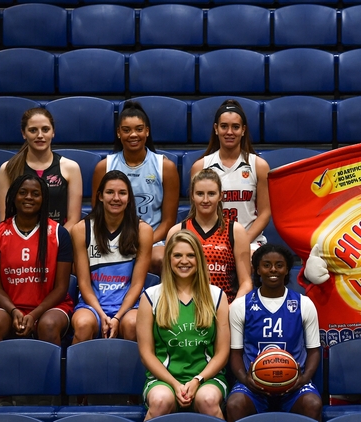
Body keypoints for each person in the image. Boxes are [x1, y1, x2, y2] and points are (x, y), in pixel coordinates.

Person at [226, 244, 321, 422]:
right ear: (257, 269)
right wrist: (246, 380)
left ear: (286, 270)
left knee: (313, 403)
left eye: (279, 265)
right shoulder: (240, 306)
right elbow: (235, 353)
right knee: (235, 404)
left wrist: (302, 380)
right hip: (253, 384)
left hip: (294, 384)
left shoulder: (304, 303)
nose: (273, 270)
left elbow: (314, 351)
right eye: (266, 265)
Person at [137, 230, 230, 421]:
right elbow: (147, 354)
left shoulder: (216, 296)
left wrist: (197, 380)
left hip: (206, 378)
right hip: (164, 379)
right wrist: (175, 384)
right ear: (169, 259)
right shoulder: (151, 296)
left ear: (199, 259)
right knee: (161, 400)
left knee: (209, 400)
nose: (184, 261)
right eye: (177, 255)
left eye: (190, 255)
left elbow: (222, 352)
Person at [0, 174, 73, 347]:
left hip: (50, 307)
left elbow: (61, 288)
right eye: (23, 192)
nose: (29, 197)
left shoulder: (59, 233)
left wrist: (35, 314)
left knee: (48, 325)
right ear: (14, 196)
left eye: (35, 193)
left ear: (43, 198)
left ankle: (50, 375)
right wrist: (14, 310)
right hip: (11, 307)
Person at [92, 101, 180, 274]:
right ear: (118, 133)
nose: (133, 134)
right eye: (126, 130)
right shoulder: (104, 167)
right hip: (112, 238)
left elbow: (169, 221)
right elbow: (97, 213)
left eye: (139, 129)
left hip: (154, 240)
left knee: (160, 259)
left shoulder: (165, 167)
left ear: (147, 131)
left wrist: (145, 243)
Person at [71, 170, 153, 344]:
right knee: (83, 324)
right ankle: (78, 371)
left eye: (122, 193)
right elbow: (84, 283)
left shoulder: (143, 231)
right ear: (100, 196)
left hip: (129, 305)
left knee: (132, 324)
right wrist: (102, 315)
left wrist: (117, 317)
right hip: (92, 304)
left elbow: (137, 283)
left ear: (129, 198)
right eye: (110, 192)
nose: (116, 198)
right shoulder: (81, 229)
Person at [190, 100, 270, 250]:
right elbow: (197, 212)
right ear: (216, 128)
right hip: (211, 240)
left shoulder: (258, 166)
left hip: (250, 241)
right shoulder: (200, 166)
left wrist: (243, 240)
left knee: (250, 262)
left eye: (235, 127)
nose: (229, 132)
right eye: (224, 126)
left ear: (243, 130)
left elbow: (265, 213)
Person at [167, 168, 252, 303]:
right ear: (192, 196)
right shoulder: (177, 231)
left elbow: (246, 283)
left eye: (211, 194)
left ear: (220, 196)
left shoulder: (235, 230)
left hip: (225, 305)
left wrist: (232, 309)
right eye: (200, 194)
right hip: (186, 307)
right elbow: (168, 280)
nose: (205, 200)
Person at [0, 108, 82, 231]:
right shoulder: (8, 168)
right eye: (33, 130)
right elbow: (5, 220)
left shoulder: (71, 168)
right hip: (20, 241)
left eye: (45, 129)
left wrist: (54, 242)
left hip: (58, 242)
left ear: (53, 132)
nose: (40, 135)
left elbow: (73, 220)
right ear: (24, 133)